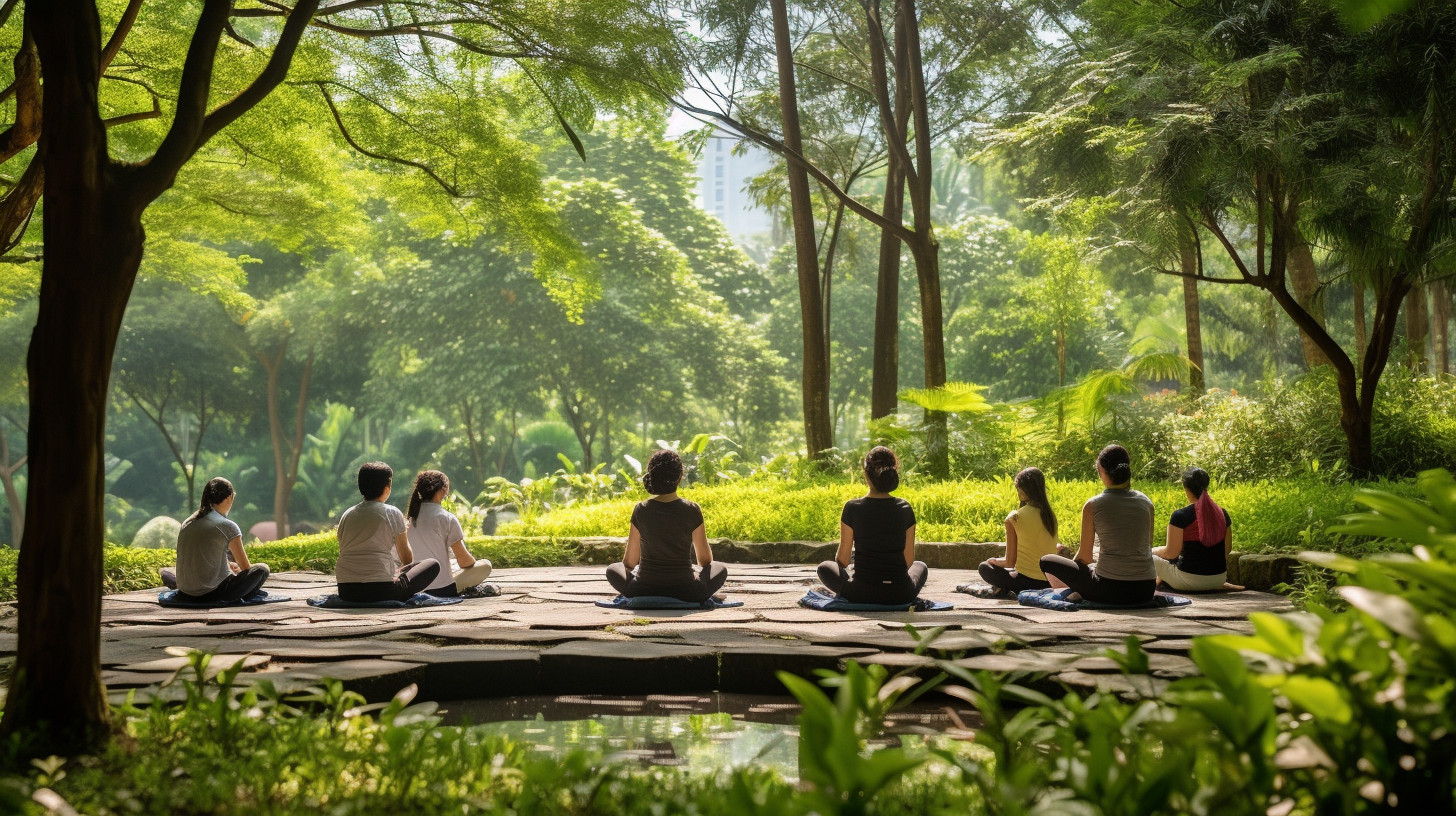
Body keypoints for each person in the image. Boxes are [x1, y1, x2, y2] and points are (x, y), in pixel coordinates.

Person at [1038, 444, 1157, 605]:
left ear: (1102, 472)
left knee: (1047, 561)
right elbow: (1146, 546)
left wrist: (1077, 576)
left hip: (1109, 590)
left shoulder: (1093, 505)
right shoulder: (1147, 503)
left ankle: (1074, 591)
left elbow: (1084, 558)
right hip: (1145, 589)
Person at [605, 449, 728, 603]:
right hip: (688, 591)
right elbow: (705, 561)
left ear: (652, 476)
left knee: (613, 569)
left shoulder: (641, 509)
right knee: (719, 568)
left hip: (642, 590)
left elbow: (629, 562)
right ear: (680, 477)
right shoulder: (692, 509)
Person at [817, 446, 929, 605]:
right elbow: (909, 561)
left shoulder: (852, 507)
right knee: (920, 566)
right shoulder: (905, 507)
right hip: (901, 593)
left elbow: (842, 560)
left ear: (866, 476)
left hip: (861, 593)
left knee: (825, 567)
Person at [335, 461, 440, 602]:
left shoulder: (347, 514)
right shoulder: (391, 512)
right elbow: (406, 558)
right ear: (387, 487)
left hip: (347, 591)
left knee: (404, 569)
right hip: (383, 591)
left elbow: (343, 550)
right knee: (431, 564)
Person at [170, 477, 270, 603]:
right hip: (214, 593)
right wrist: (238, 571)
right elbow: (246, 568)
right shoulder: (227, 525)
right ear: (229, 498)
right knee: (262, 569)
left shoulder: (188, 521)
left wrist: (229, 565)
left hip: (185, 592)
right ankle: (244, 597)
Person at [406, 469, 494, 597]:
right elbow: (464, 562)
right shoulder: (447, 518)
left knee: (450, 564)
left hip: (414, 587)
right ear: (443, 490)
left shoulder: (409, 519)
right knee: (485, 565)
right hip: (442, 588)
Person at [976, 467, 1058, 596]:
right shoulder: (1050, 516)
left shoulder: (1014, 517)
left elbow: (1009, 562)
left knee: (984, 567)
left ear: (1023, 490)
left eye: (1018, 487)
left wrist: (995, 561)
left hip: (1025, 582)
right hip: (1050, 581)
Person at [1153, 467, 1234, 592]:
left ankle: (1153, 585)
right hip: (1219, 579)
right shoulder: (1222, 513)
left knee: (1147, 556)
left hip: (1188, 580)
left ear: (1186, 489)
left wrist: (1153, 551)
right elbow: (1226, 550)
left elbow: (1171, 553)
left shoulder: (1180, 516)